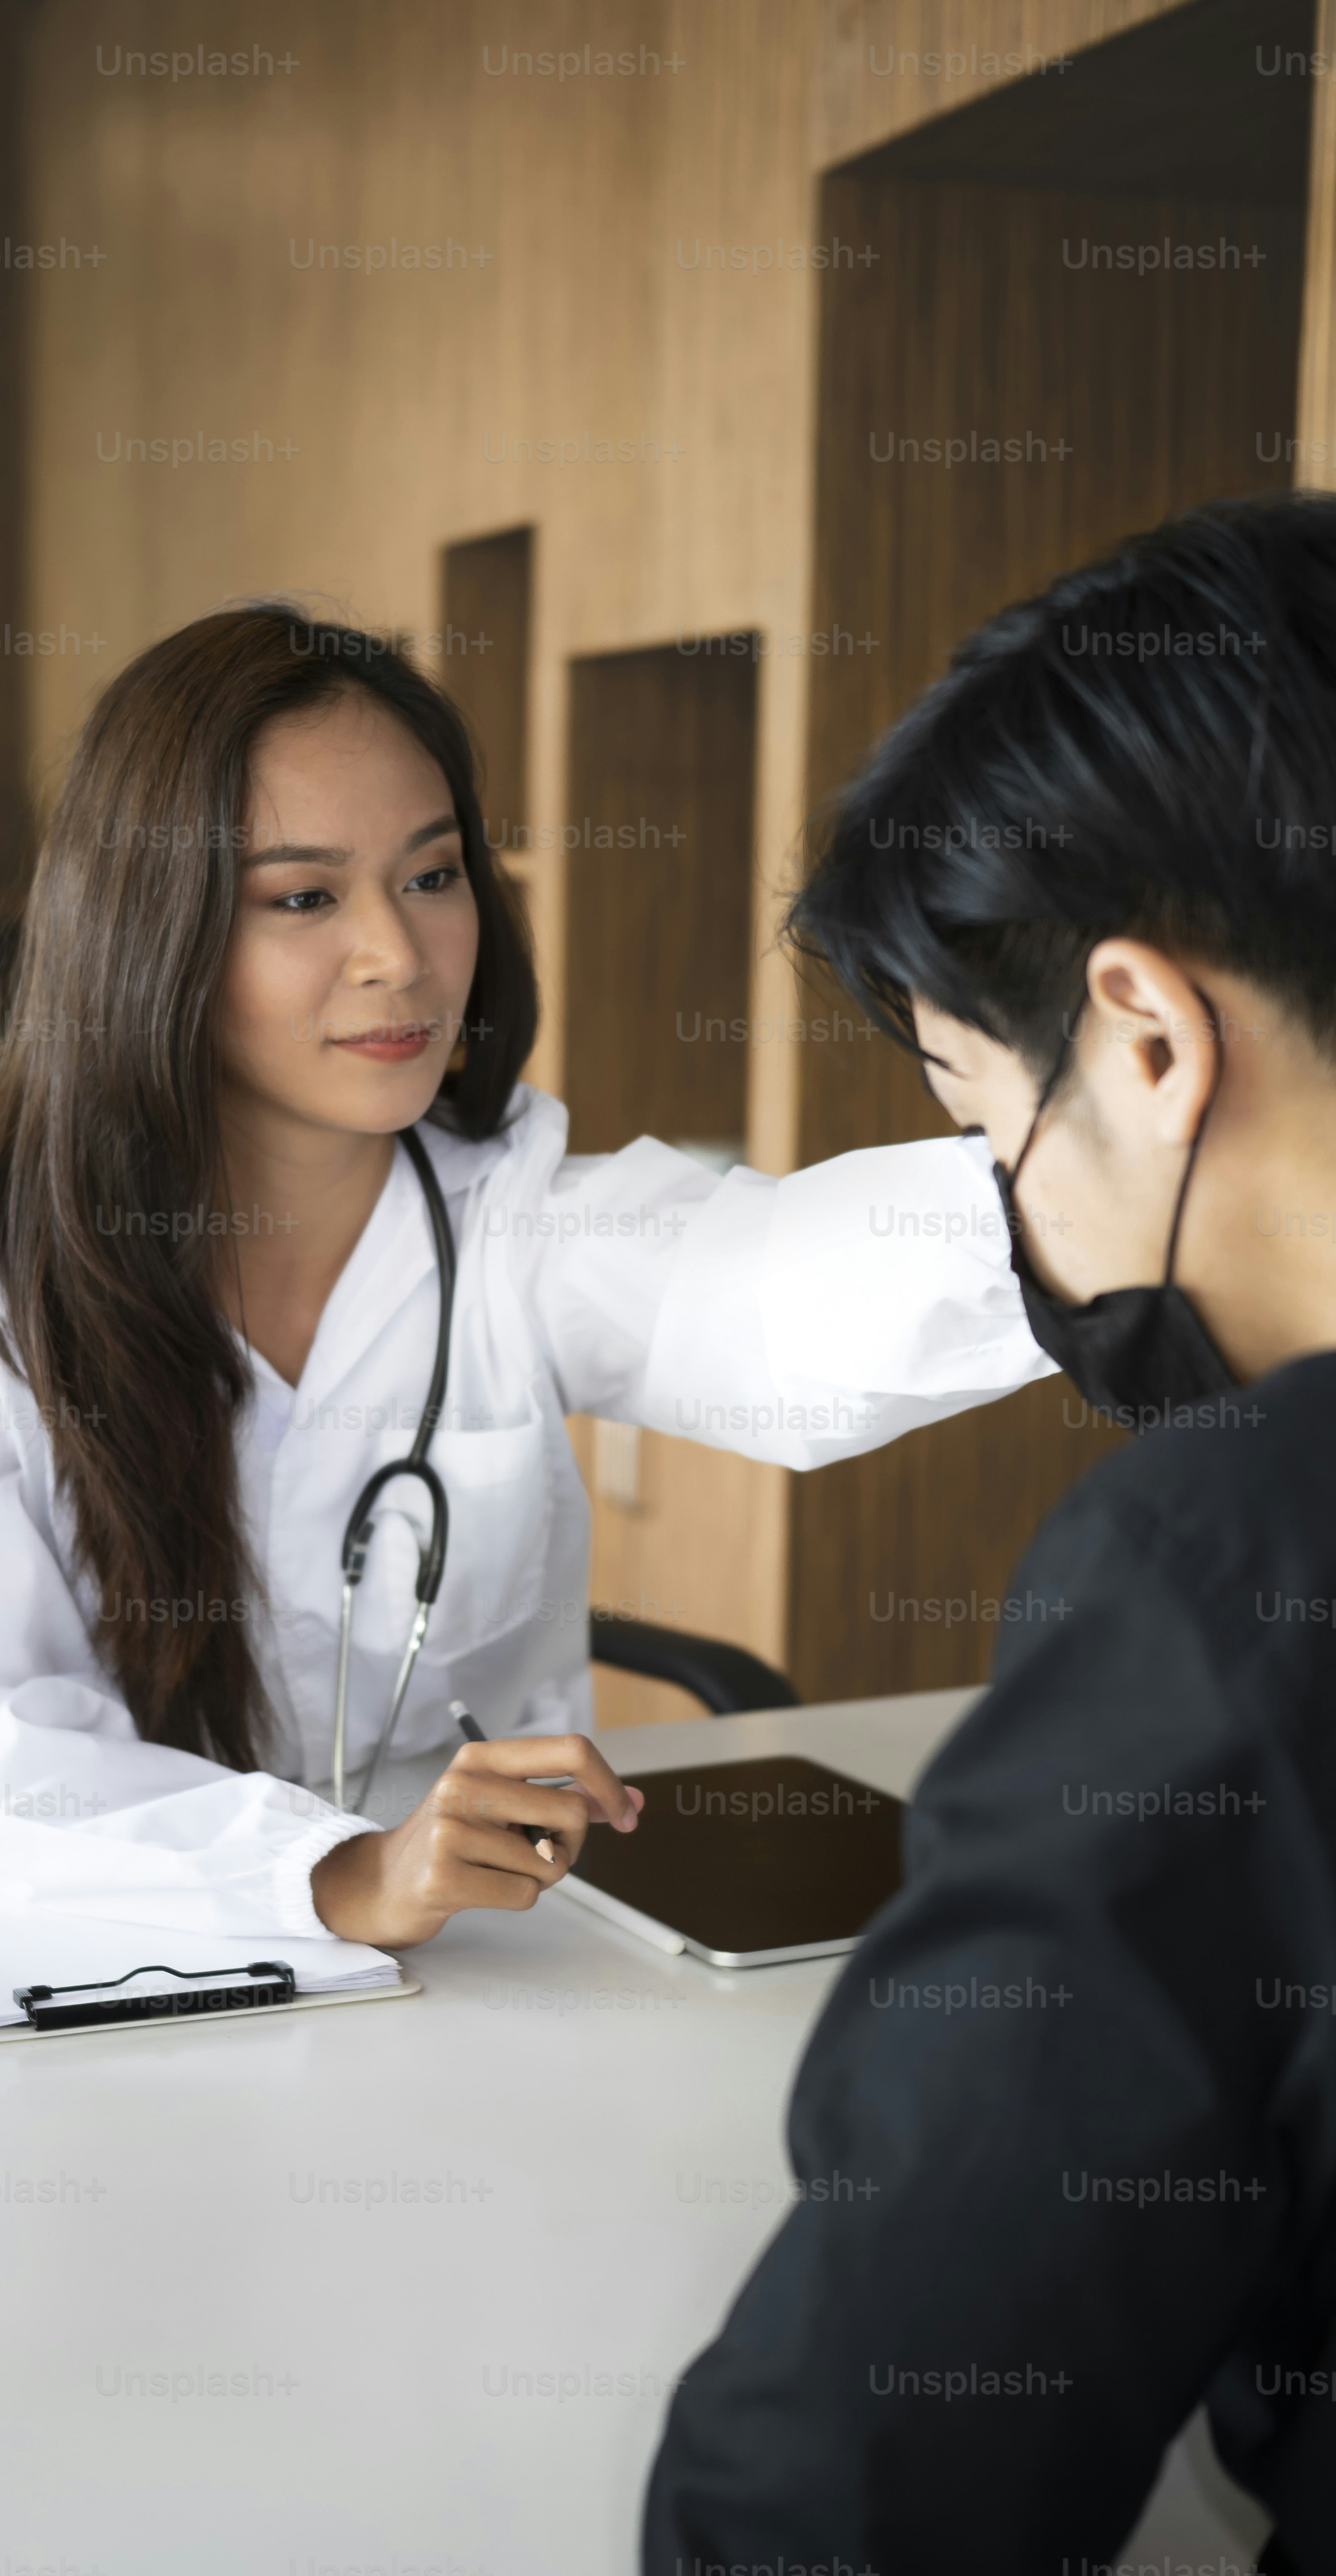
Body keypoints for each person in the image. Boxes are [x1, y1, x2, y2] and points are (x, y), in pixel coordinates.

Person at [0, 605, 1049, 1952]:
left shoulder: (507, 1203)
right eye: (304, 896)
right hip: (102, 1963)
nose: (399, 954)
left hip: (492, 1965)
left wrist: (1121, 1186)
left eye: (434, 875)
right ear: (150, 927)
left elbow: (777, 1302)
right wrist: (341, 1876)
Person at [645, 494, 1336, 2575]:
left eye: (973, 1124)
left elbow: (859, 2493)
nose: (1004, 1216)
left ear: (1142, 1036)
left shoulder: (1226, 1567)